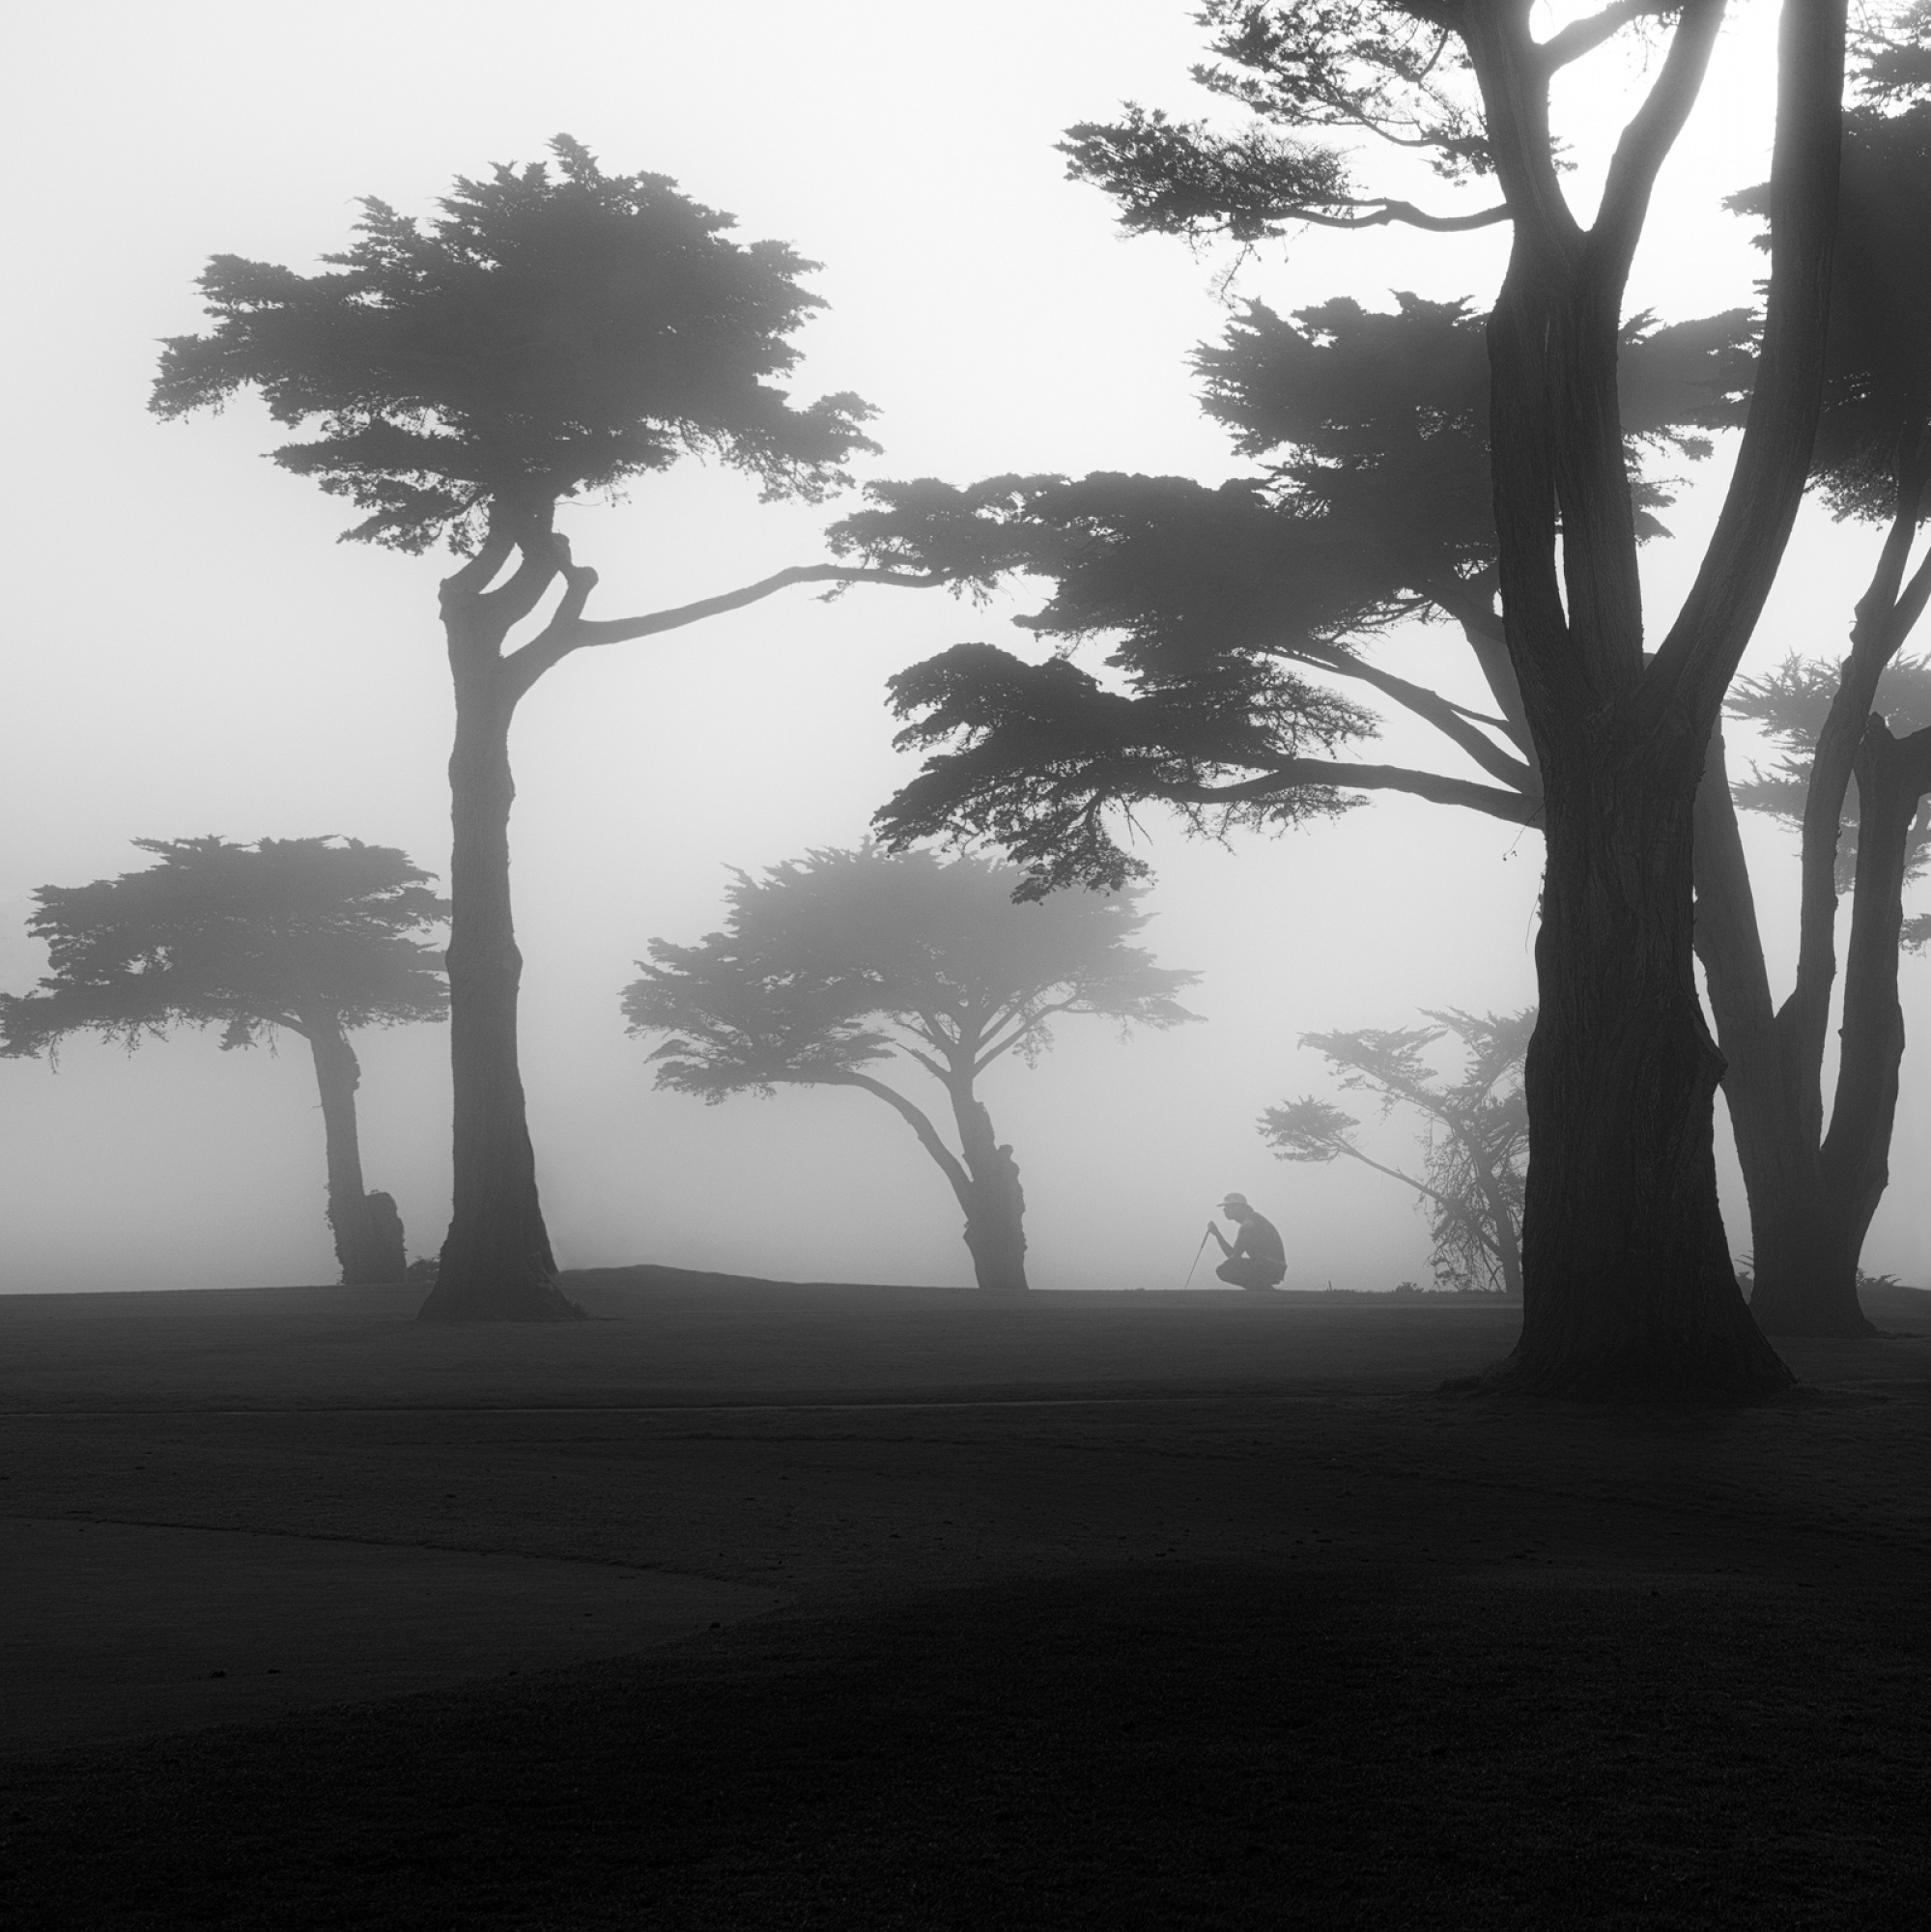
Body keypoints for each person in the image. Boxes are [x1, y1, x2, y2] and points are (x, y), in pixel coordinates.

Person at [1208, 1193, 1286, 1291]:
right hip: (1275, 1268)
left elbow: (1234, 1257)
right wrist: (1217, 1234)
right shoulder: (1254, 1220)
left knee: (1224, 1270)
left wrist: (1217, 1234)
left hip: (1270, 1267)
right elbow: (1233, 1256)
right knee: (1230, 1267)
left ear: (1239, 1207)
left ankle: (1263, 1291)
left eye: (1228, 1207)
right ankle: (1263, 1290)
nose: (1224, 1210)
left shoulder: (1249, 1223)